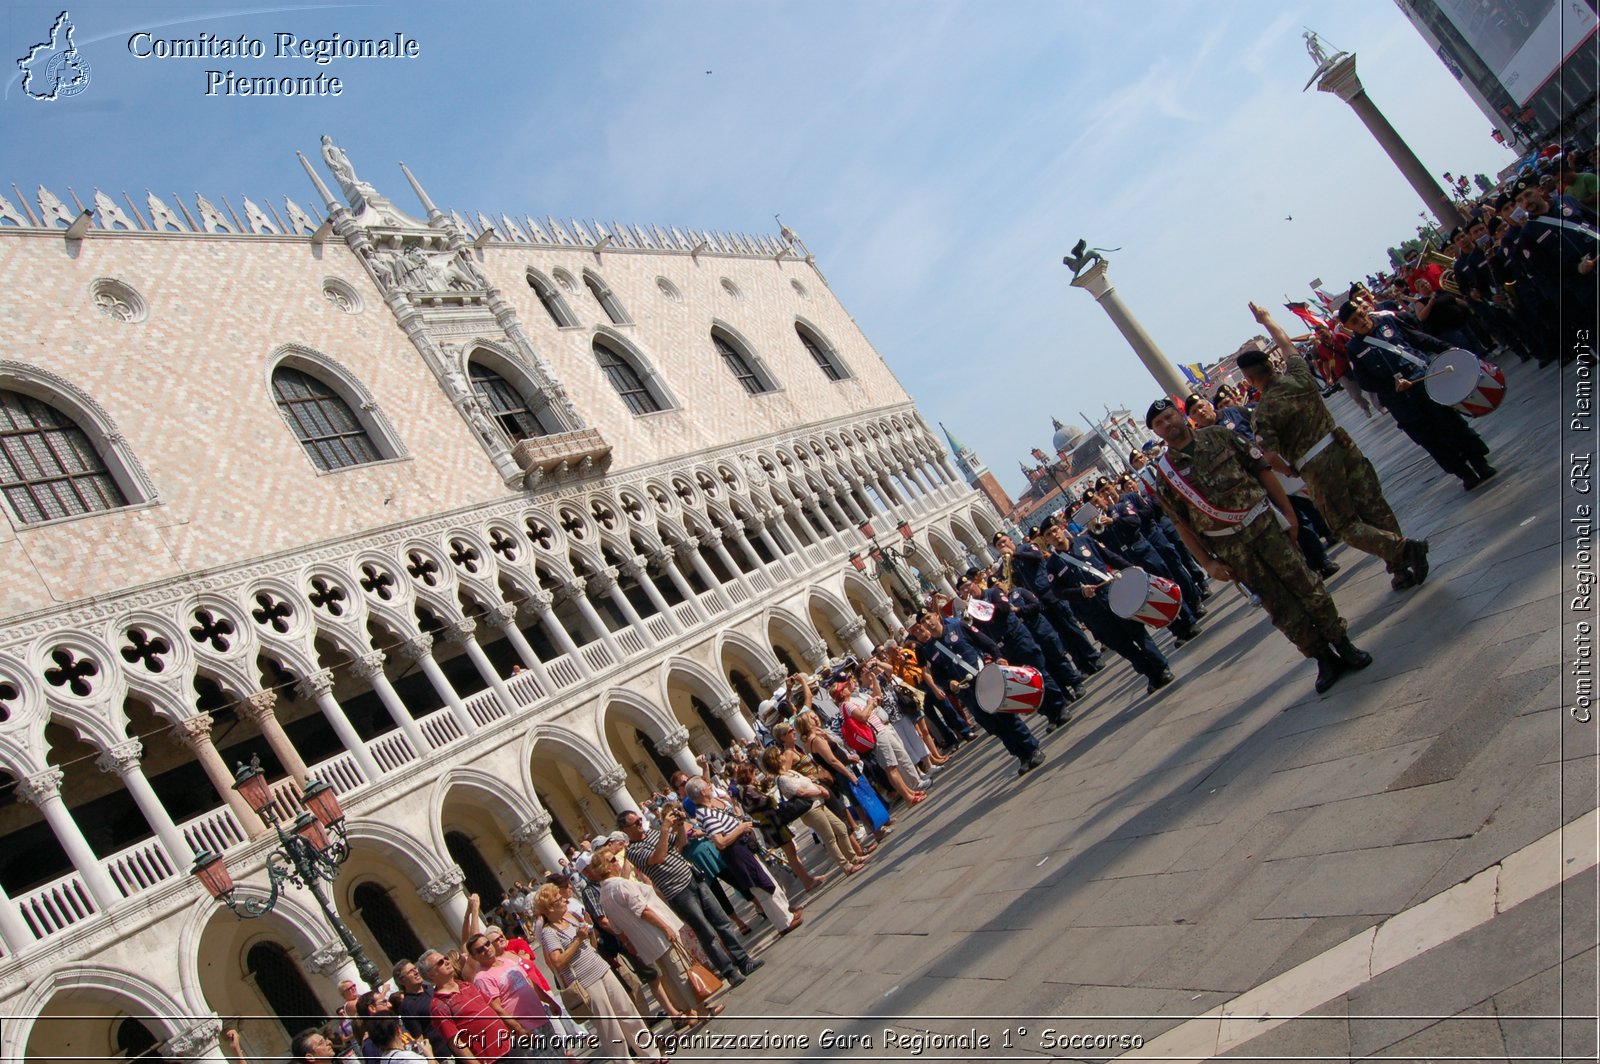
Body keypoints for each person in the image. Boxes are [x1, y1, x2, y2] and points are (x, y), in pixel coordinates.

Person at [1146, 396, 1371, 695]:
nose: (1167, 424)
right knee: (1278, 605)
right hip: (1234, 551)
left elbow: (1261, 470)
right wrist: (1209, 564)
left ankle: (1343, 643)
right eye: (1159, 423)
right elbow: (1181, 525)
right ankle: (1321, 657)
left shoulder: (1220, 436)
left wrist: (1289, 513)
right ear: (1156, 432)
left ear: (1180, 415)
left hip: (1266, 528)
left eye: (1170, 416)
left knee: (1307, 585)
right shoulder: (1166, 477)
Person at [1244, 304, 1431, 590]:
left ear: (1249, 380)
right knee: (1373, 504)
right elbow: (1284, 341)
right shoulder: (1299, 376)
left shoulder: (1263, 411)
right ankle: (1399, 566)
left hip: (1315, 465)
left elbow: (1269, 454)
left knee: (1344, 525)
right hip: (1341, 444)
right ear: (1271, 365)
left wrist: (1291, 470)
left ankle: (1403, 551)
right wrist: (1267, 320)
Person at [1339, 299, 1496, 490]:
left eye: (1361, 315)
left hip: (1425, 385)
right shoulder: (1354, 349)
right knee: (1431, 440)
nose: (1361, 321)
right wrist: (1391, 385)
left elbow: (1418, 338)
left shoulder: (1388, 322)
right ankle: (1465, 474)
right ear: (1347, 326)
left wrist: (1447, 349)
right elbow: (1364, 382)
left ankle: (1480, 463)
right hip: (1401, 403)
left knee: (1454, 426)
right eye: (1354, 321)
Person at [619, 807, 761, 987]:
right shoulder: (632, 851)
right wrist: (664, 829)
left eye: (640, 820)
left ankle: (743, 960)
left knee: (722, 922)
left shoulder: (653, 834)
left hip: (694, 879)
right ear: (626, 829)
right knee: (706, 933)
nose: (640, 824)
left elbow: (679, 844)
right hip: (677, 893)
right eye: (636, 823)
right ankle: (729, 971)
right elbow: (658, 857)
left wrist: (679, 826)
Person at [531, 885, 666, 1064]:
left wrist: (589, 931)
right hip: (585, 981)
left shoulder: (571, 918)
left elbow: (591, 946)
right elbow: (557, 962)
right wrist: (578, 939)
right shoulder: (549, 933)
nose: (564, 900)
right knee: (609, 1027)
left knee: (628, 1012)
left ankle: (652, 1056)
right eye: (559, 899)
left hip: (601, 968)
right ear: (549, 908)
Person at [588, 851, 720, 1030]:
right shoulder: (621, 885)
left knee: (669, 976)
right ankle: (702, 1010)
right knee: (680, 971)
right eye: (613, 859)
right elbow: (643, 910)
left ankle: (689, 1012)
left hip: (642, 941)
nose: (616, 862)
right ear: (607, 866)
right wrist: (665, 927)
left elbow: (616, 926)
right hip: (656, 933)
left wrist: (628, 942)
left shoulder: (604, 894)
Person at [1041, 519, 1173, 694]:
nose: (1054, 535)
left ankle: (1162, 667)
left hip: (1113, 596)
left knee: (1138, 633)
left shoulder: (1085, 542)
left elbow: (1110, 556)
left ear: (1062, 528)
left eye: (1054, 530)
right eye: (1048, 535)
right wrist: (1080, 592)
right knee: (1122, 646)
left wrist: (1132, 568)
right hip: (1093, 611)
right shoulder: (1053, 565)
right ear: (1046, 541)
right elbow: (1058, 592)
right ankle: (1150, 674)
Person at [909, 610, 1044, 777]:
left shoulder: (959, 627)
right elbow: (939, 676)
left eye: (929, 617)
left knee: (1007, 718)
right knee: (994, 726)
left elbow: (986, 643)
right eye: (923, 621)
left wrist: (998, 657)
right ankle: (1021, 756)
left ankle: (1032, 748)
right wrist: (949, 683)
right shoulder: (930, 649)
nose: (928, 622)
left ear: (937, 616)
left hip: (985, 678)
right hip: (967, 692)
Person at [686, 775, 802, 932]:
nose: (710, 787)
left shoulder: (708, 809)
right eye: (707, 786)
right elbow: (720, 842)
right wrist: (739, 829)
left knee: (767, 882)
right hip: (736, 853)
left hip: (743, 849)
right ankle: (783, 924)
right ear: (701, 792)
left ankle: (786, 915)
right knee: (762, 887)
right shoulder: (706, 815)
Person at [762, 745, 867, 874]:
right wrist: (818, 790)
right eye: (780, 754)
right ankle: (846, 866)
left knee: (841, 828)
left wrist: (817, 788)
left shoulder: (789, 772)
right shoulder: (782, 778)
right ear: (777, 759)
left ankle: (853, 857)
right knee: (830, 838)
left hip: (818, 802)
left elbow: (805, 782)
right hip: (810, 809)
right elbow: (800, 792)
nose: (783, 755)